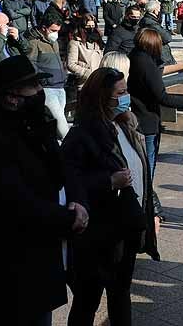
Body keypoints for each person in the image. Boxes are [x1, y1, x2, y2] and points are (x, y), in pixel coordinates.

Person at [0, 55, 89, 326]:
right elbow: (15, 205)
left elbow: (62, 169)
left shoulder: (32, 129)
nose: (40, 93)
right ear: (11, 98)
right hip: (7, 270)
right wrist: (68, 219)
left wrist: (78, 200)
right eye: (32, 87)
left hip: (37, 263)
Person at [62, 68, 161, 326]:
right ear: (103, 97)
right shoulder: (82, 134)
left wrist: (154, 210)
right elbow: (69, 181)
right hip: (97, 233)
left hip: (125, 228)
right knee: (88, 299)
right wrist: (108, 182)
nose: (127, 97)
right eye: (121, 92)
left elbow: (140, 173)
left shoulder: (125, 126)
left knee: (120, 294)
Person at [128, 28, 183, 173]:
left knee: (141, 163)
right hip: (147, 120)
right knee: (148, 163)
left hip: (137, 116)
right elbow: (162, 96)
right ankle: (147, 193)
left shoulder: (133, 56)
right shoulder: (146, 64)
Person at [25, 14, 70, 138]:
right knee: (62, 127)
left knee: (57, 123)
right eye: (53, 30)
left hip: (60, 86)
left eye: (57, 31)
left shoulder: (54, 42)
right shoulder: (34, 43)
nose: (55, 34)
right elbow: (30, 64)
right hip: (47, 88)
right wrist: (44, 78)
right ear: (44, 28)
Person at [67, 13, 105, 84]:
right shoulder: (75, 42)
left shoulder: (97, 41)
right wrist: (86, 73)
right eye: (88, 26)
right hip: (84, 82)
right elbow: (71, 64)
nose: (91, 28)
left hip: (98, 81)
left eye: (93, 26)